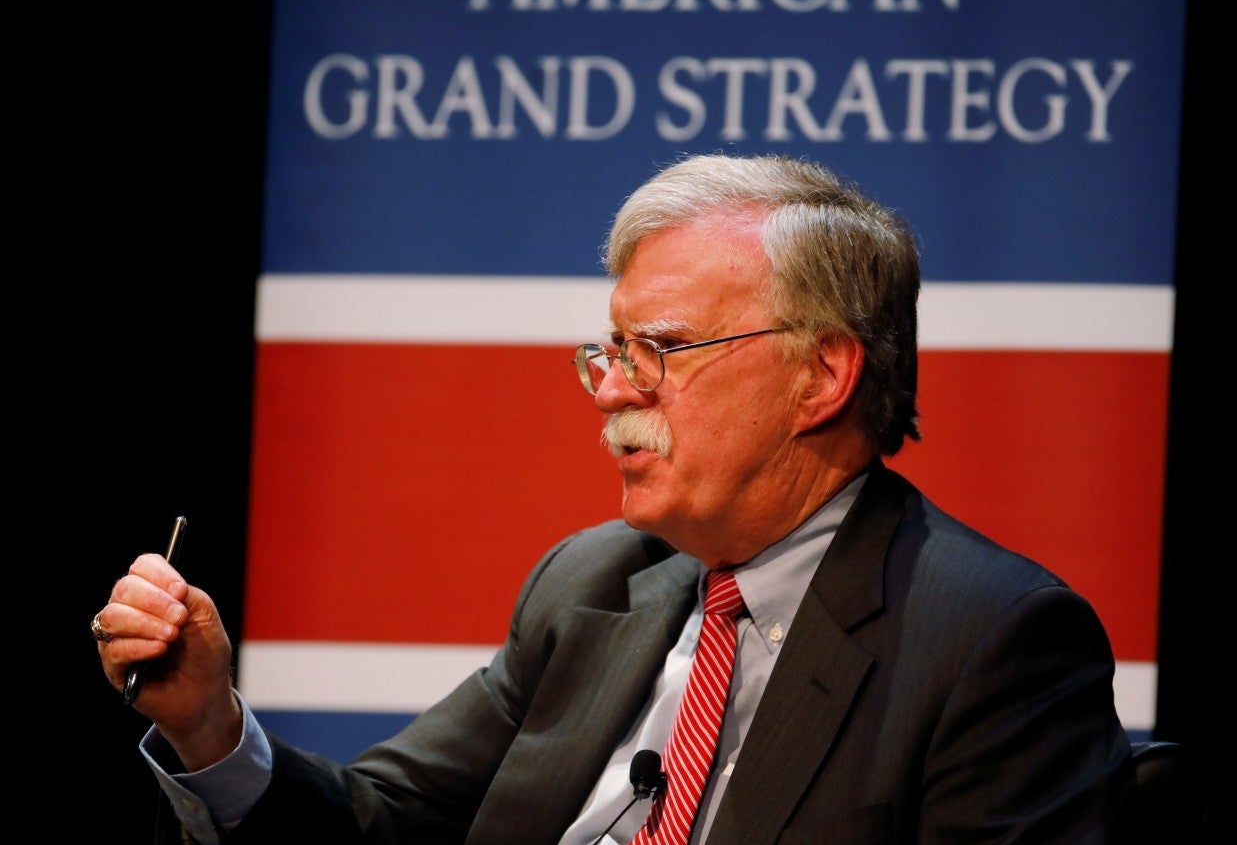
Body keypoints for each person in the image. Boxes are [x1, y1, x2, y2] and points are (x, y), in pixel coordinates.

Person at [94, 153, 1132, 843]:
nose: (613, 390)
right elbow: (379, 827)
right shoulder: (593, 582)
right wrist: (210, 726)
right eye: (610, 350)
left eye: (664, 350)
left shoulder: (990, 642)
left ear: (821, 376)